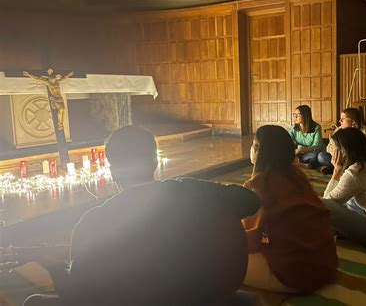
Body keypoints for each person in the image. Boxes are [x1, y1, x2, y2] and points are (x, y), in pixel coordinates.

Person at [22, 125, 261, 306]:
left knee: (32, 301)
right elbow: (250, 200)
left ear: (113, 170)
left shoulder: (92, 223)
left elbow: (81, 297)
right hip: (206, 295)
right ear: (155, 161)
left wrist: (55, 266)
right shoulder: (193, 190)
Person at [243, 125, 338, 293]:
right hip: (325, 265)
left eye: (253, 144)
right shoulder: (297, 175)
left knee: (219, 254)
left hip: (294, 276)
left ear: (259, 150)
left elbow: (250, 242)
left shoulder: (258, 185)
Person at [289, 105, 331, 170]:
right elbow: (288, 139)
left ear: (305, 115)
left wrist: (301, 149)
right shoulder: (294, 127)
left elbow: (317, 146)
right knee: (291, 155)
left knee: (318, 156)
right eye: (294, 114)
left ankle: (310, 165)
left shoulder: (316, 127)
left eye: (298, 114)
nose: (295, 117)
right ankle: (313, 165)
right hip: (303, 154)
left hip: (315, 152)